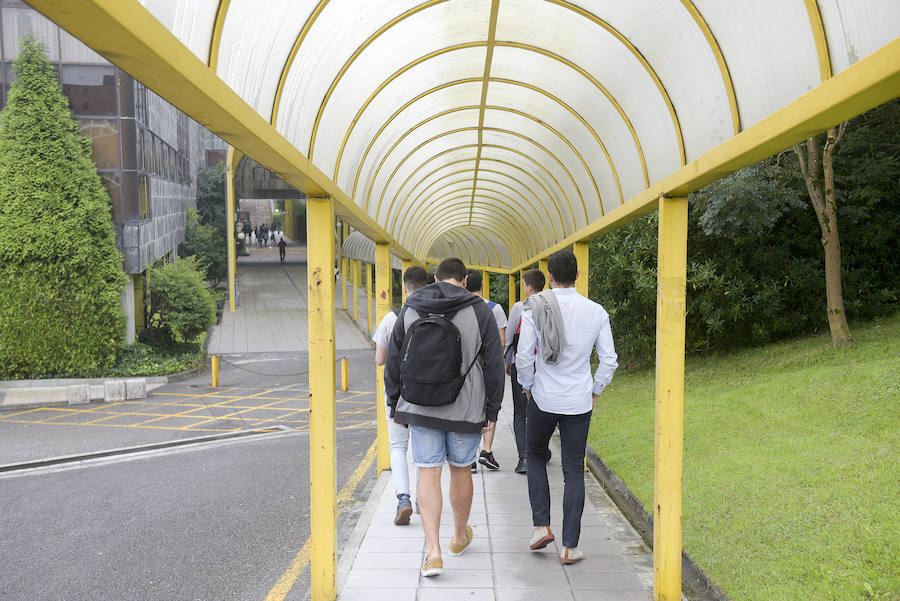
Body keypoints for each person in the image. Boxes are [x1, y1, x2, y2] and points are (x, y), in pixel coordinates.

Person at [385, 258, 505, 577]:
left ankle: (433, 552)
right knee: (460, 470)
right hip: (465, 408)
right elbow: (494, 364)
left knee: (427, 472)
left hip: (421, 406)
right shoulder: (480, 311)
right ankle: (458, 536)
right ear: (465, 280)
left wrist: (395, 403)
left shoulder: (411, 306)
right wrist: (492, 410)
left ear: (435, 278)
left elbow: (394, 358)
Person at [515, 249, 617, 565]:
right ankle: (571, 546)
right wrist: (595, 390)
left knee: (534, 455)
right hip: (578, 401)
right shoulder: (596, 311)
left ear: (548, 275)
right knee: (573, 468)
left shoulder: (535, 307)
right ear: (577, 276)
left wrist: (528, 386)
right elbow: (609, 360)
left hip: (543, 398)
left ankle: (541, 526)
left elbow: (524, 356)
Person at [373, 266, 430, 525]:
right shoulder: (433, 315)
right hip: (427, 392)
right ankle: (422, 499)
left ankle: (403, 498)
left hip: (397, 392)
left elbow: (379, 360)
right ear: (427, 286)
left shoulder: (391, 318)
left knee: (397, 446)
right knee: (422, 448)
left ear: (405, 287)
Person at [504, 268, 546, 474]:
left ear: (528, 286)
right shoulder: (550, 306)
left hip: (522, 364)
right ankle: (542, 450)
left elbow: (510, 337)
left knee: (520, 412)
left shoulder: (519, 307)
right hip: (545, 367)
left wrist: (507, 361)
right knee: (542, 409)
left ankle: (525, 458)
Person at [465, 269, 506, 471]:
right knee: (490, 408)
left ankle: (469, 457)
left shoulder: (461, 308)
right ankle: (486, 451)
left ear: (464, 283)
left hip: (468, 371)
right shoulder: (494, 308)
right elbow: (502, 342)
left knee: (470, 409)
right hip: (488, 368)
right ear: (482, 285)